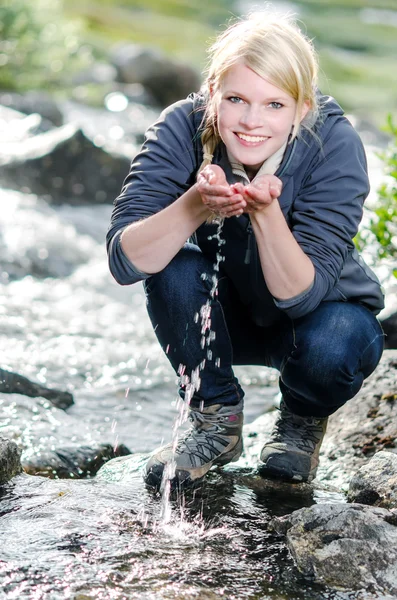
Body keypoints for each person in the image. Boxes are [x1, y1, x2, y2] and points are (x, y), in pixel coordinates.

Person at [106, 11, 385, 490]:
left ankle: (299, 421)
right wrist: (194, 206)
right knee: (173, 266)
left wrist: (265, 212)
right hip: (223, 316)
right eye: (236, 99)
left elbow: (300, 296)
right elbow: (125, 261)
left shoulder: (334, 141)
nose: (252, 121)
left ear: (301, 108)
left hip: (315, 320)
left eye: (275, 104)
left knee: (338, 338)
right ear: (213, 91)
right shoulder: (181, 127)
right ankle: (215, 417)